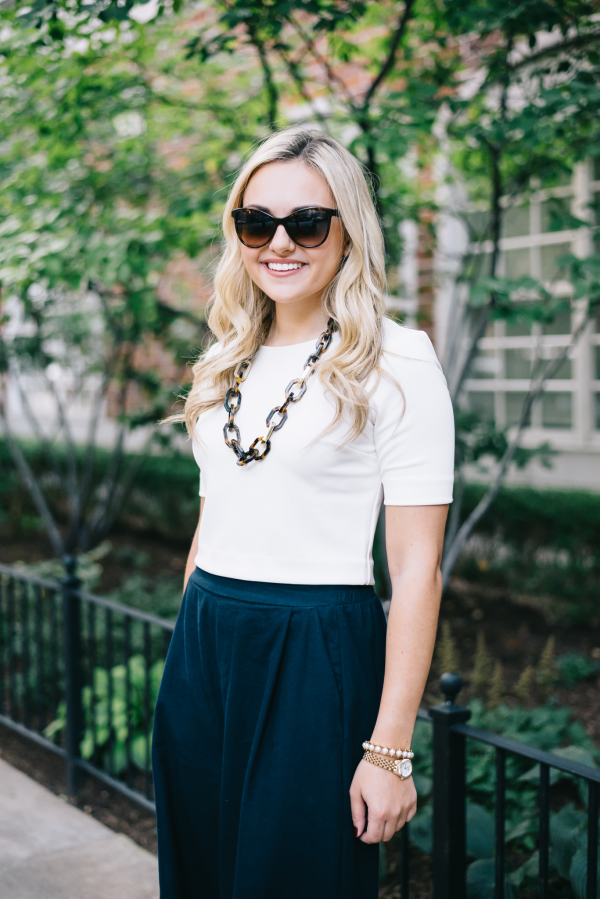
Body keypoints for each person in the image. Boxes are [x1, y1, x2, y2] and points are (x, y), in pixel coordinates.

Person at [153, 127, 454, 899]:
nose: (279, 243)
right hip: (206, 640)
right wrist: (187, 647)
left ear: (347, 230)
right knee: (201, 875)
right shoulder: (227, 355)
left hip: (314, 645)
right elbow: (213, 519)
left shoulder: (396, 359)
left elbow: (417, 568)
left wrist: (389, 750)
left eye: (307, 223)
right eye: (258, 222)